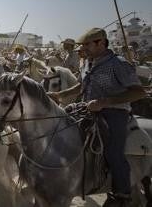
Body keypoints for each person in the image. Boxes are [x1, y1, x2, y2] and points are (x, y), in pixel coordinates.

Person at [48, 28, 146, 206]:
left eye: (87, 44)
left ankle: (122, 194)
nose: (83, 48)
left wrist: (105, 102)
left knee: (113, 152)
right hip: (87, 108)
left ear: (101, 43)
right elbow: (80, 86)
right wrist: (60, 95)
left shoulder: (119, 63)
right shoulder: (87, 63)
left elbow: (138, 92)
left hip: (115, 112)